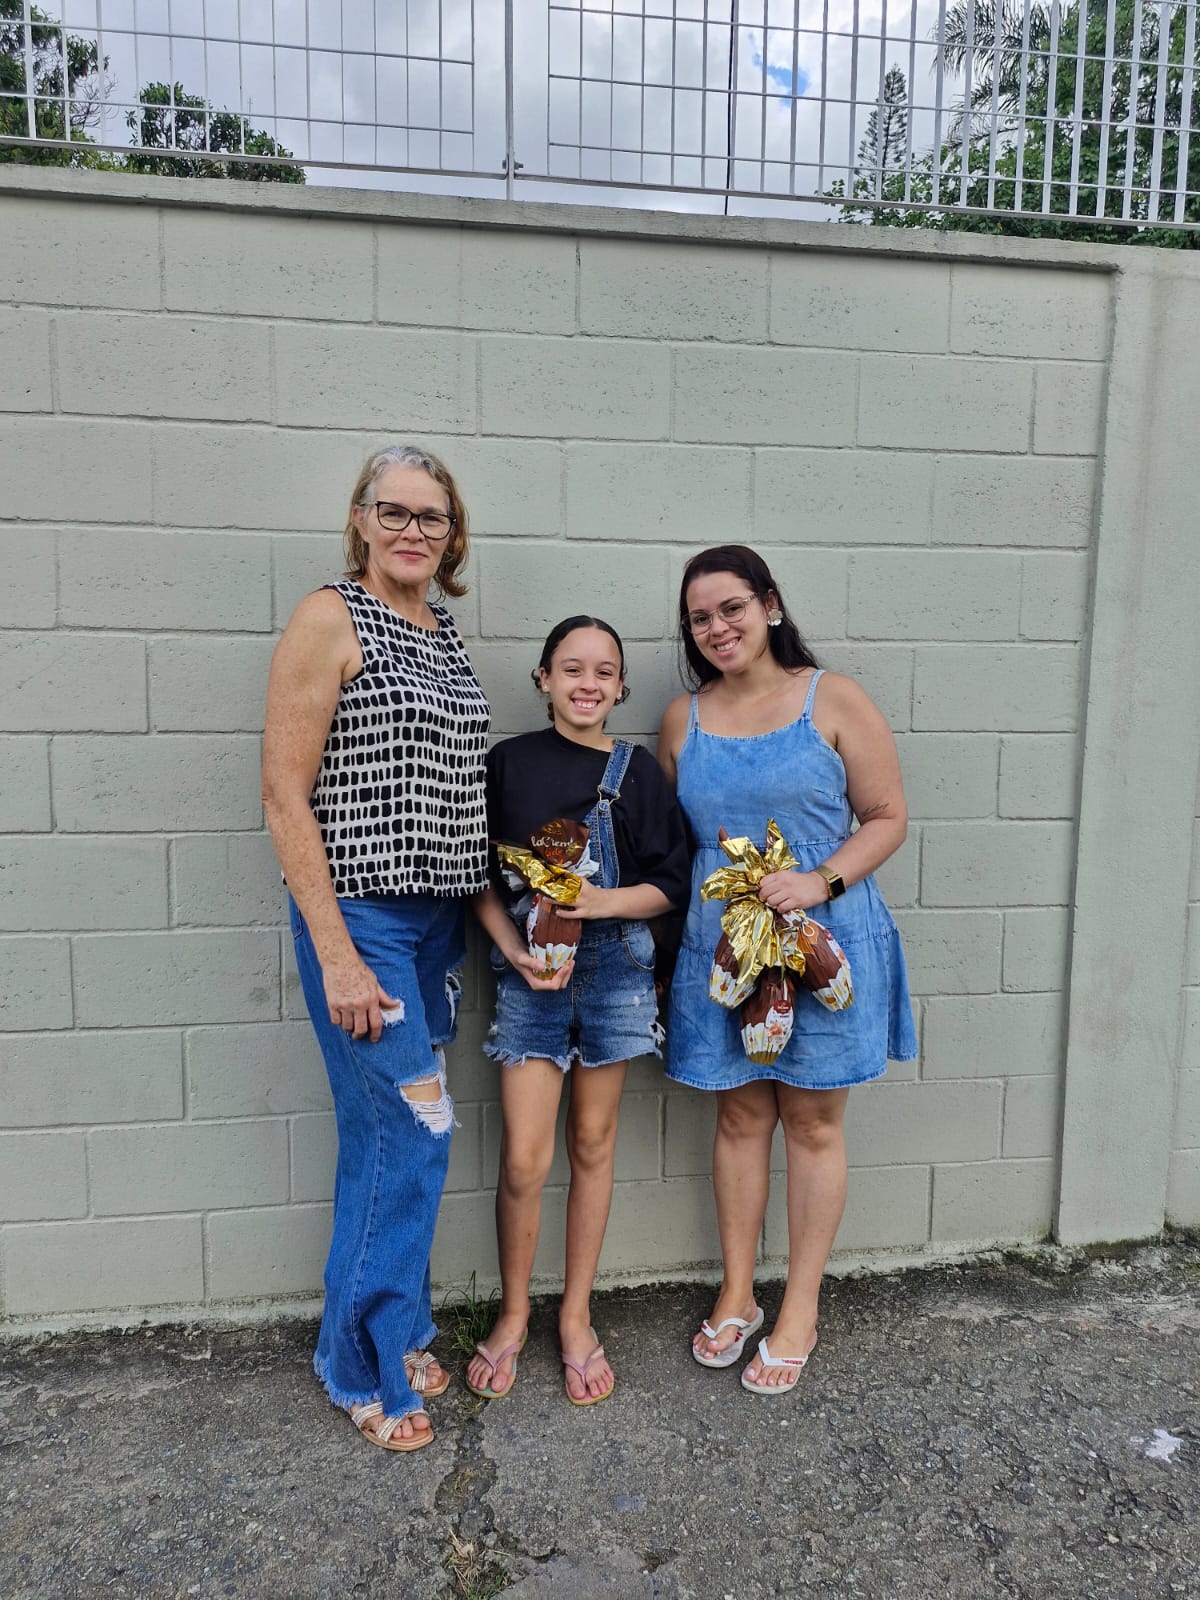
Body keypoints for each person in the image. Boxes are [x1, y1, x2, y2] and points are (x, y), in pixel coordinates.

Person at [262, 444, 490, 1452]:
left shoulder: (439, 629)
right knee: (409, 1134)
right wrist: (338, 953)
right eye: (392, 510)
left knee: (396, 1139)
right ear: (359, 519)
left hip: (437, 923)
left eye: (431, 517)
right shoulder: (331, 617)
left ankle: (400, 1328)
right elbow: (284, 796)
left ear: (452, 535)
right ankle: (357, 1365)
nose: (411, 530)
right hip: (363, 920)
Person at [658, 545, 916, 1395]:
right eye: (700, 617)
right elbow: (674, 846)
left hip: (823, 940)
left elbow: (886, 816)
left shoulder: (832, 698)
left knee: (811, 1123)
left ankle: (800, 1305)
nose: (717, 627)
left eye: (731, 607)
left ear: (769, 604)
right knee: (738, 1118)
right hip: (724, 949)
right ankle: (738, 1292)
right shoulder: (682, 718)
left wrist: (819, 880)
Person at [467, 617, 690, 1406]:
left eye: (603, 671)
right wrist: (514, 950)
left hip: (616, 972)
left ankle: (575, 1315)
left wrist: (599, 903)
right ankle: (513, 1313)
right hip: (531, 974)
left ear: (621, 687)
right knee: (525, 1160)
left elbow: (671, 882)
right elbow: (476, 875)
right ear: (543, 678)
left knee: (593, 1143)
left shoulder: (636, 773)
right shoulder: (507, 764)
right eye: (571, 668)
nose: (587, 683)